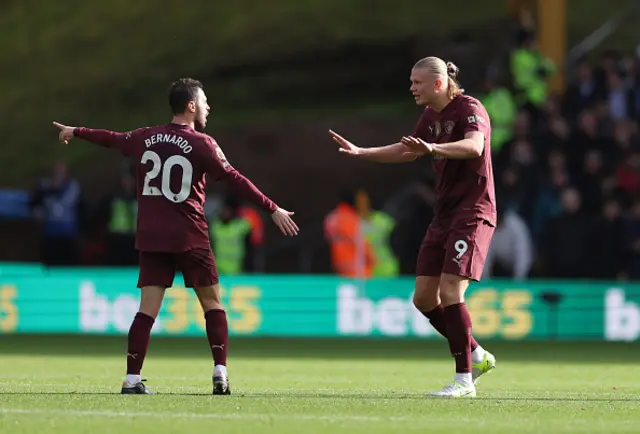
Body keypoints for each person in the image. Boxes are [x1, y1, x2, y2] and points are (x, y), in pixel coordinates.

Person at [52, 78, 298, 395]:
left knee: (146, 311)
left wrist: (77, 131)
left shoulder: (146, 137)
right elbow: (235, 179)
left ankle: (131, 379)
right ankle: (220, 374)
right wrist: (271, 207)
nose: (208, 107)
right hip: (189, 234)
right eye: (205, 101)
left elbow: (112, 139)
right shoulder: (203, 144)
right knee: (213, 305)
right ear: (191, 105)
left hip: (153, 237)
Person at [329, 57, 497, 398]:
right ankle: (476, 354)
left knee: (451, 290)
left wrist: (433, 148)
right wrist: (363, 152)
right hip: (444, 213)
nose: (411, 88)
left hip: (472, 211)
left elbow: (475, 146)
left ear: (437, 84)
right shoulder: (430, 117)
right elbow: (407, 151)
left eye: (417, 82)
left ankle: (464, 380)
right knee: (423, 299)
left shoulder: (469, 107)